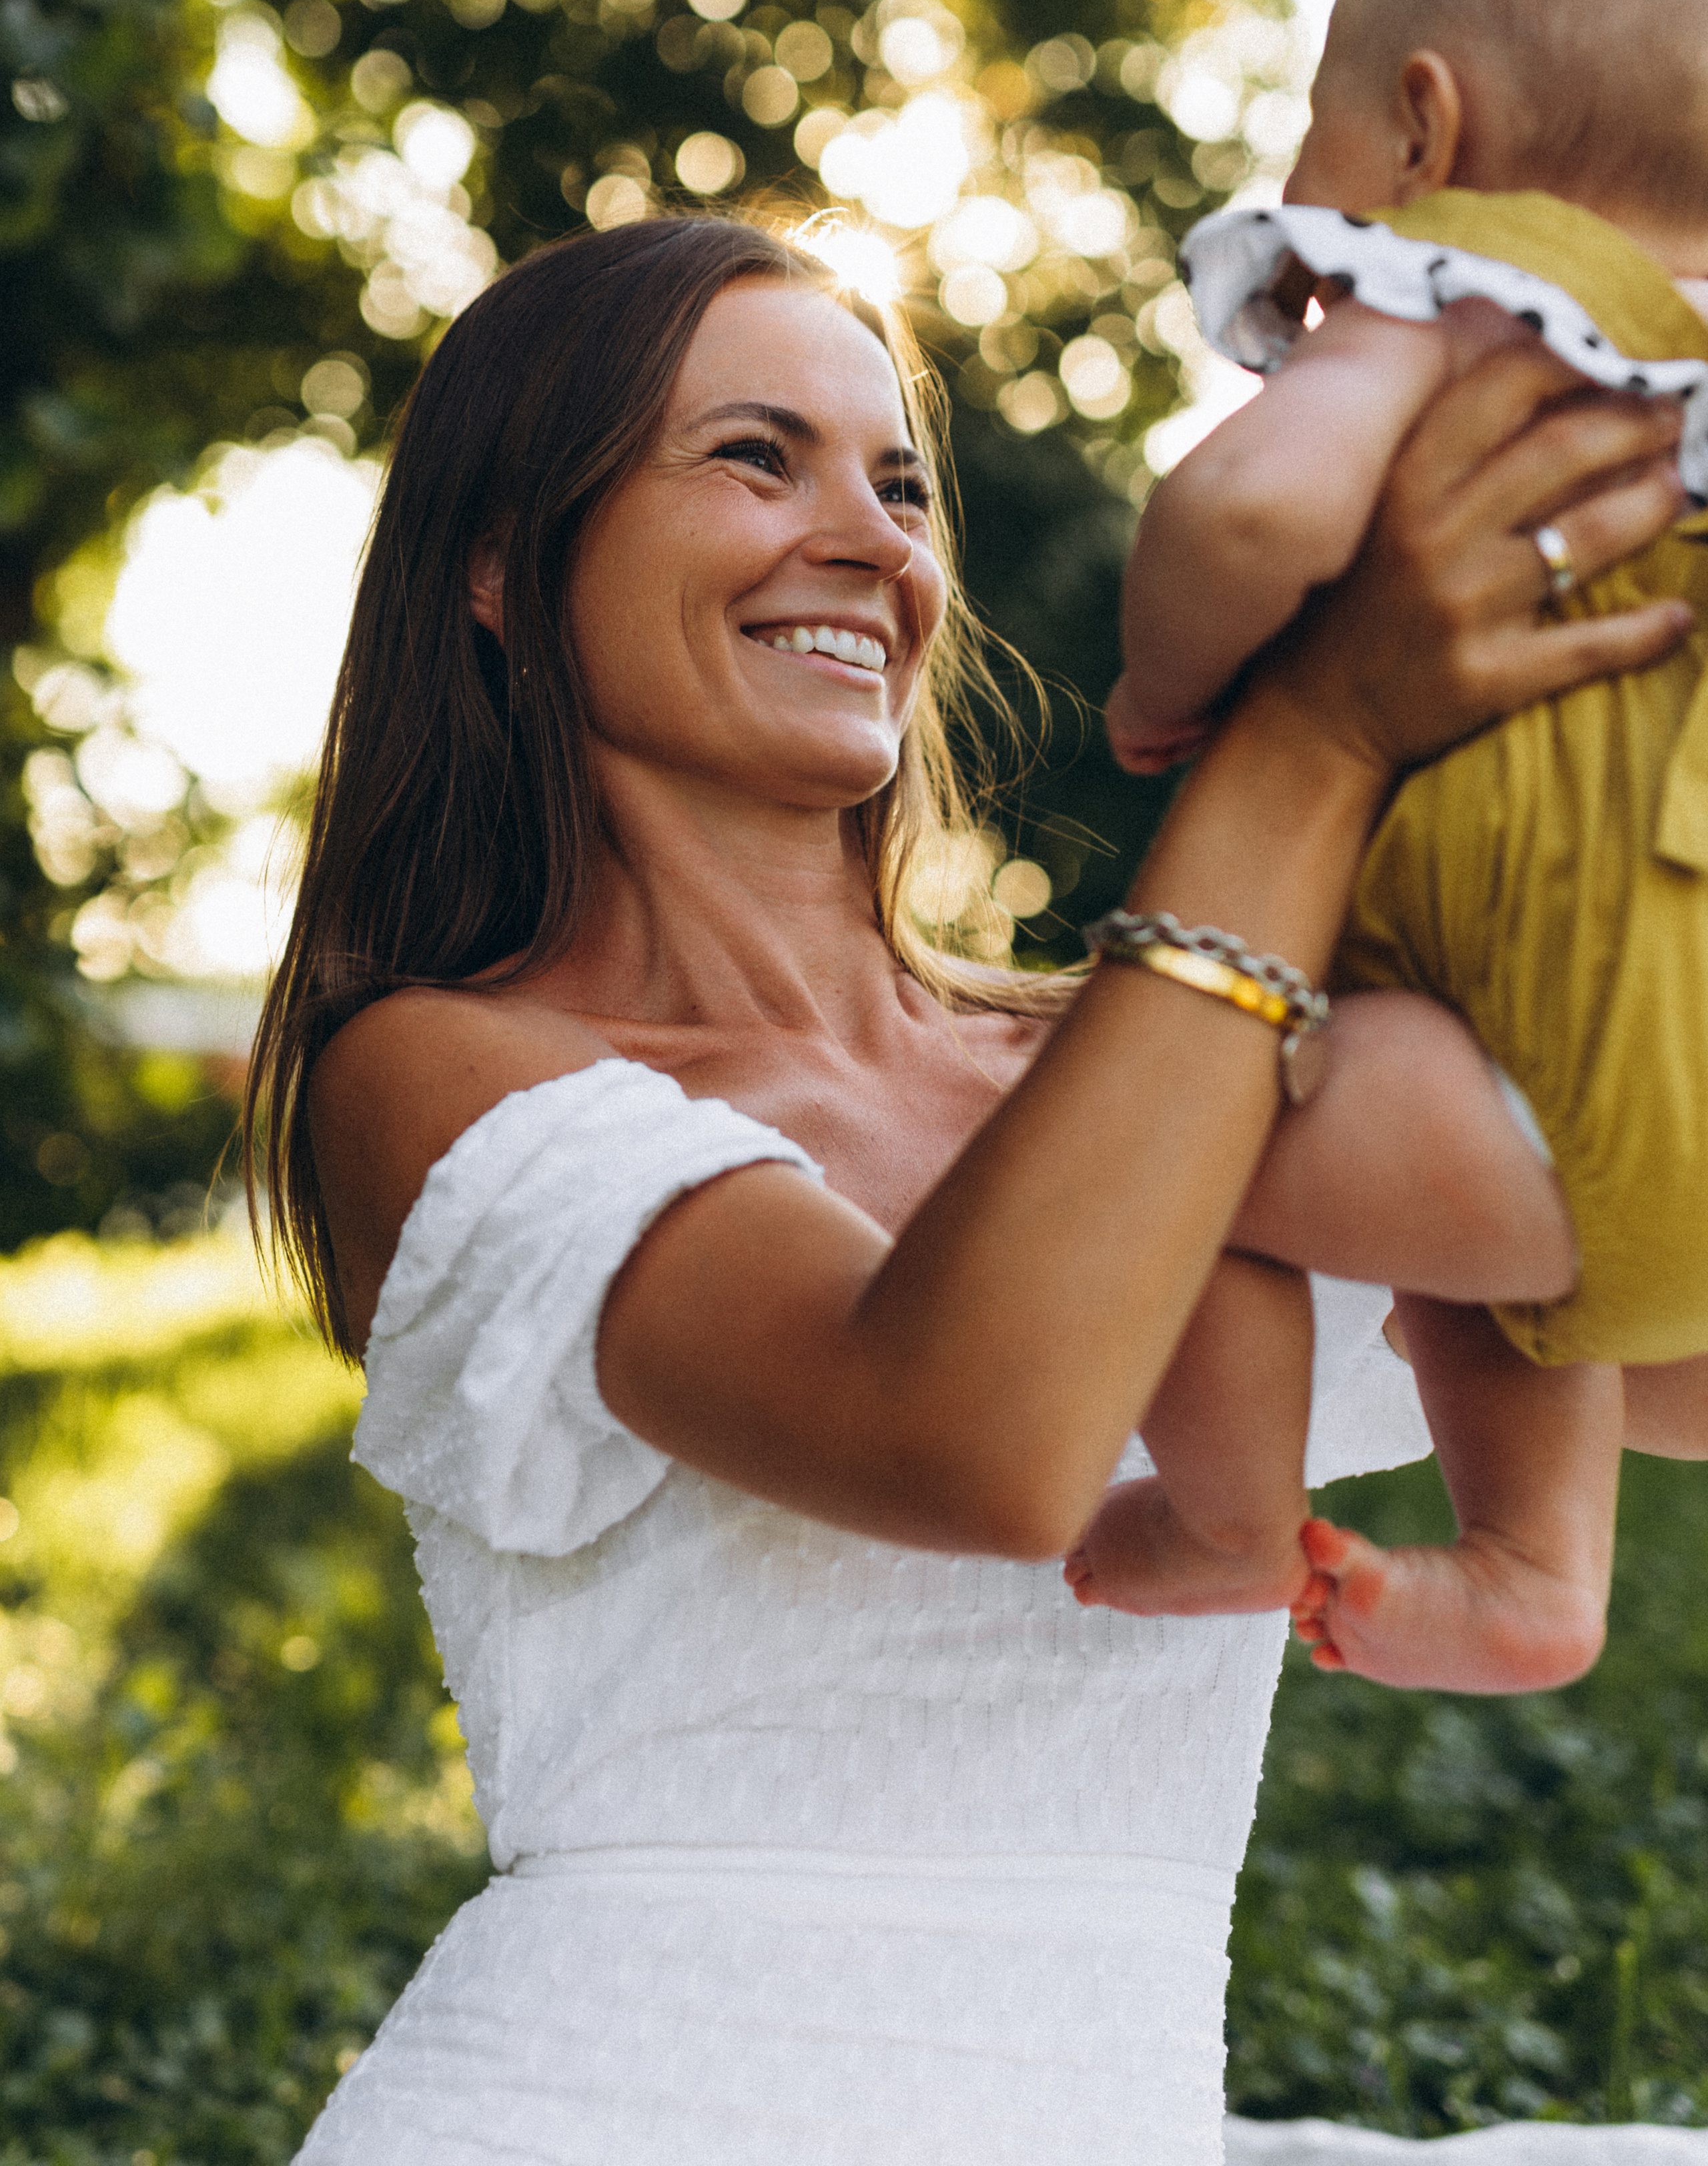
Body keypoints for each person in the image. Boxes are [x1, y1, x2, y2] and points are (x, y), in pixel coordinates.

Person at [248, 211, 1685, 2165]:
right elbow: (977, 1439)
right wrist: (1322, 732)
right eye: (757, 457)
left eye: (899, 484)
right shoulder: (431, 1071)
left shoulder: (1140, 1073)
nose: (874, 541)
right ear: (500, 562)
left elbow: (1642, 1316)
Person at [1076, 0, 1708, 1696]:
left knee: (1175, 1127)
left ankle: (1224, 1519)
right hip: (1671, 1057)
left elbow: (1253, 502)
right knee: (1479, 1222)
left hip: (1546, 1058)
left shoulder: (1459, 298)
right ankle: (1532, 1574)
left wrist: (1165, 677)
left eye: (1315, 124)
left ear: (1424, 126)